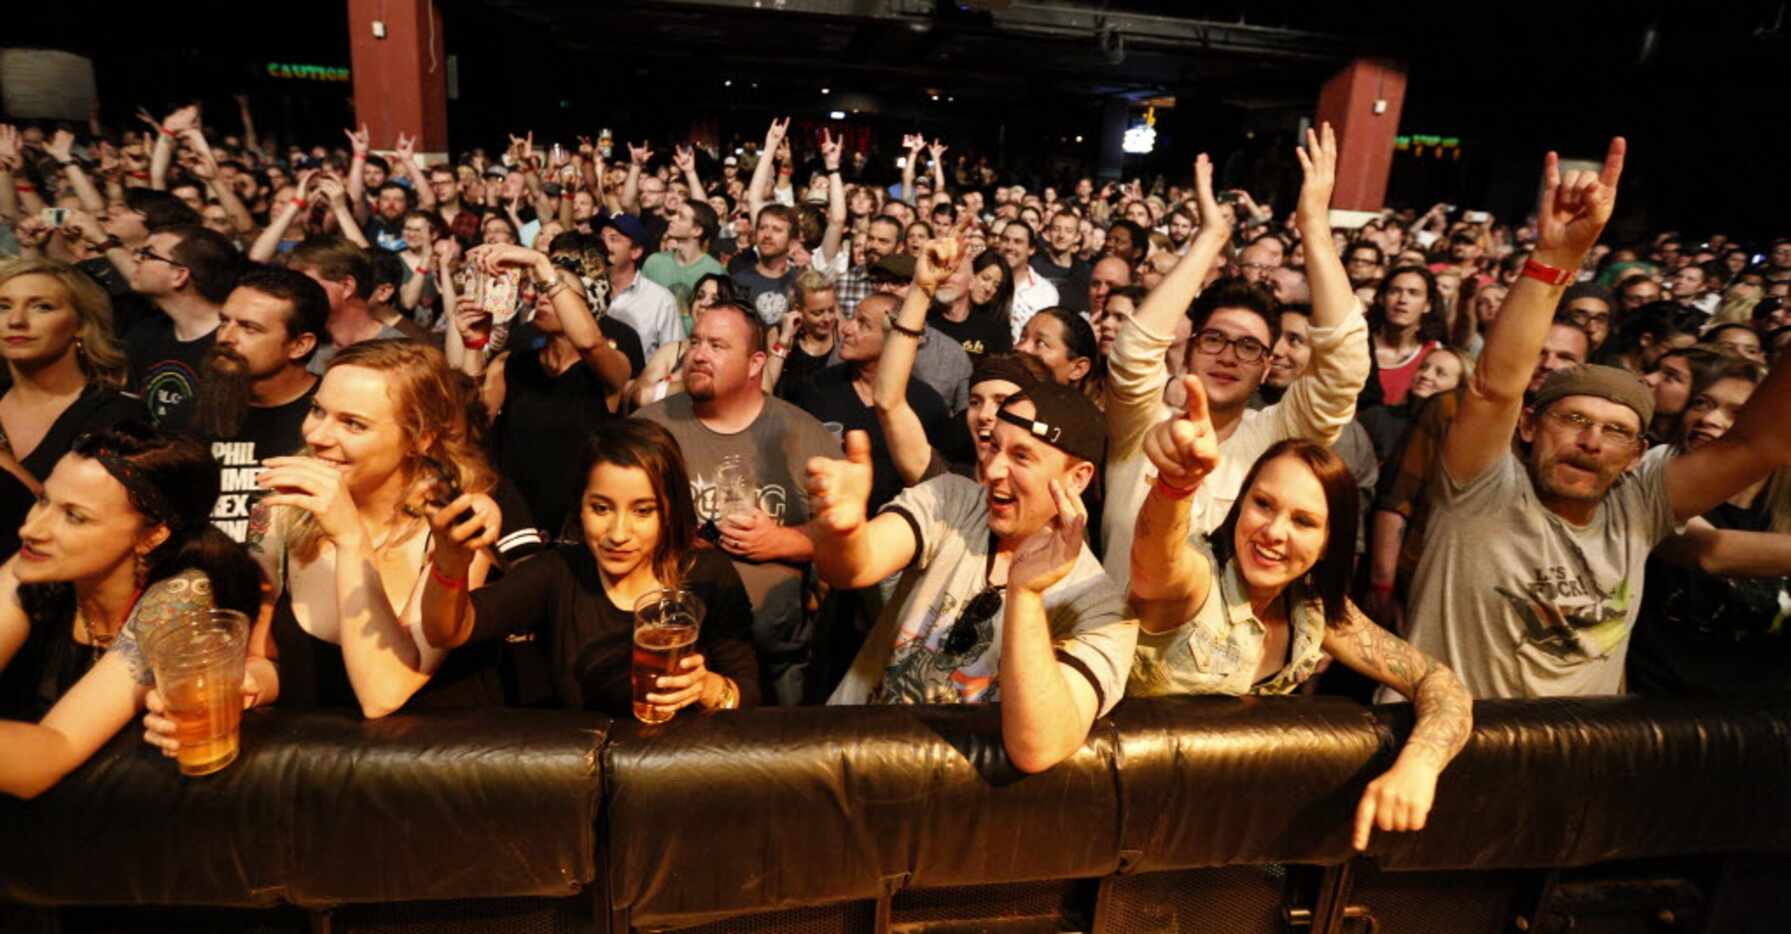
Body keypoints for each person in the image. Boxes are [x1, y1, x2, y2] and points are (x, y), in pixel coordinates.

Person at [1398, 138, 1791, 699]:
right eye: (1573, 420)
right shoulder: (1480, 488)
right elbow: (1492, 389)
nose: (1590, 442)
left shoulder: (1639, 504)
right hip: (1445, 752)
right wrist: (1555, 260)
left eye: (1615, 432)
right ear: (1530, 426)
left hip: (1575, 764)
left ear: (1636, 454)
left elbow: (1760, 447)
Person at [1126, 379, 1471, 850]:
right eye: (1263, 505)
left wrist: (1419, 765)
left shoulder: (1314, 611)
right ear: (1241, 504)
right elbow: (1155, 564)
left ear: (1330, 540)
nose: (1273, 532)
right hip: (1127, 823)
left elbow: (1440, 683)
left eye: (1304, 521)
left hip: (1221, 833)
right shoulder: (1199, 577)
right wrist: (1176, 485)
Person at [812, 381, 1136, 774]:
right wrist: (841, 532)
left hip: (957, 809)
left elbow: (1038, 748)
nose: (994, 469)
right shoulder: (953, 500)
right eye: (993, 446)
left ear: (1078, 478)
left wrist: (1026, 595)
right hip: (846, 764)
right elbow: (853, 567)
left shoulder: (1100, 607)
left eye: (1021, 456)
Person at [1103, 133, 1369, 589]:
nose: (1229, 355)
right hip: (1111, 645)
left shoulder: (1275, 437)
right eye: (1214, 340)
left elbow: (1343, 370)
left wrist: (1315, 230)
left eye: (1249, 347)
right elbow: (1132, 355)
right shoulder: (1144, 423)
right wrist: (1210, 239)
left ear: (1267, 366)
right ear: (1187, 350)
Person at [418, 420, 759, 717]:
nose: (618, 533)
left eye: (643, 511)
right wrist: (450, 563)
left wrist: (709, 689)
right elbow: (448, 631)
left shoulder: (706, 574)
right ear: (580, 507)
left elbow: (751, 694)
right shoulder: (558, 572)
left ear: (669, 512)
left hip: (679, 775)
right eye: (601, 508)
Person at [241, 339, 504, 715]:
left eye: (353, 423)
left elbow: (382, 694)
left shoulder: (455, 522)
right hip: (317, 759)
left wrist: (350, 538)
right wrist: (246, 686)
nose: (316, 436)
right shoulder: (279, 513)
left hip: (428, 762)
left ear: (421, 439)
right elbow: (266, 660)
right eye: (318, 410)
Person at [0, 426, 262, 797]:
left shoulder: (181, 595)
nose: (31, 528)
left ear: (151, 536)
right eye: (43, 500)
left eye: (74, 516)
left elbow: (52, 751)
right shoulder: (38, 560)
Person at [634, 302, 840, 704]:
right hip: (675, 650)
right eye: (694, 342)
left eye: (717, 345)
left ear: (755, 363)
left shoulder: (802, 434)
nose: (698, 354)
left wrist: (785, 541)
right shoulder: (649, 429)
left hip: (778, 657)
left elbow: (850, 541)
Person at [1627, 357, 1791, 696]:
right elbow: (1710, 551)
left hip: (1765, 722)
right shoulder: (1654, 472)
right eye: (1702, 403)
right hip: (1658, 717)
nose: (1708, 419)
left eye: (1737, 413)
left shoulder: (1782, 509)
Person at [454, 243, 636, 539]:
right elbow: (470, 430)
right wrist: (474, 346)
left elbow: (589, 343)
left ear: (588, 308)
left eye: (555, 290)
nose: (544, 294)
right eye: (542, 288)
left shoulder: (610, 367)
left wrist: (539, 262)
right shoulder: (510, 363)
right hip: (513, 519)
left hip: (575, 526)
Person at [0, 260, 142, 559]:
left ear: (81, 325)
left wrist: (5, 463)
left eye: (42, 307)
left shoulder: (116, 413)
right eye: (3, 306)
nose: (16, 321)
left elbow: (99, 527)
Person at [194, 266, 330, 542]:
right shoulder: (193, 410)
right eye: (224, 321)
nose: (225, 337)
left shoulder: (330, 419)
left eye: (249, 328)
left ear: (299, 345)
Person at [789, 292, 951, 515]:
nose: (846, 328)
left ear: (892, 339)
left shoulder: (926, 405)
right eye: (852, 318)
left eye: (863, 324)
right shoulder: (817, 388)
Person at [122, 225, 241, 431]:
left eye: (148, 254)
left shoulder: (232, 343)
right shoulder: (144, 334)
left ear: (179, 275)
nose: (135, 259)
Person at [287, 237, 412, 374]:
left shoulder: (401, 355)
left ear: (347, 286)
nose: (293, 293)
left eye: (304, 283)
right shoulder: (300, 343)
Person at [600, 213, 684, 361]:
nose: (603, 245)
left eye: (613, 239)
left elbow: (673, 359)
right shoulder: (586, 290)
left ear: (635, 251)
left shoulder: (660, 300)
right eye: (601, 239)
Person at [1367, 265, 1445, 407]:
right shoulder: (1356, 344)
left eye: (1413, 293)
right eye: (1394, 291)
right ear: (1382, 299)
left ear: (1427, 305)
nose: (1402, 300)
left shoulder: (1435, 354)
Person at [761, 269, 837, 398]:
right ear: (798, 309)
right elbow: (767, 386)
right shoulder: (778, 334)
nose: (827, 319)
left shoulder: (841, 333)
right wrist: (785, 339)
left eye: (831, 310)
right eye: (818, 313)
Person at [928, 249, 1014, 362]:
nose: (989, 288)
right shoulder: (934, 315)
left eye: (996, 286)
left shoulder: (998, 327)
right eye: (985, 278)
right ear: (971, 276)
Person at [999, 221, 1059, 343]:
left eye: (1018, 242)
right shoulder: (985, 280)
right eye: (1005, 240)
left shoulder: (1046, 291)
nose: (1010, 247)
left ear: (1031, 249)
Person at [1032, 210, 1090, 315]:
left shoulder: (1084, 271)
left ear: (1077, 237)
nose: (1061, 235)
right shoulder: (1033, 266)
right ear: (1049, 233)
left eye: (1068, 231)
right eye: (1056, 229)